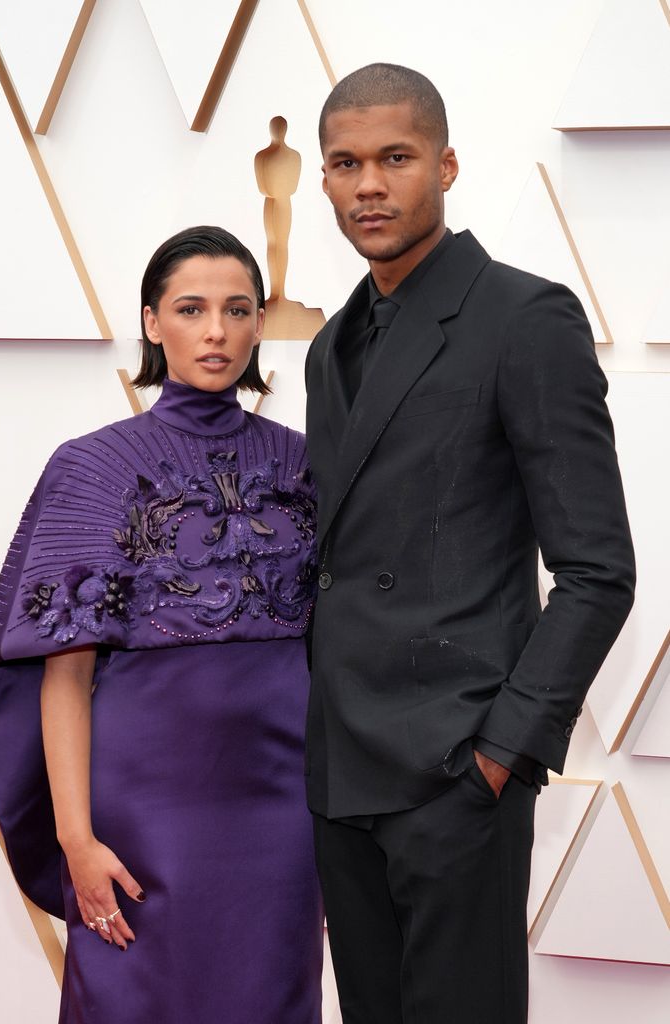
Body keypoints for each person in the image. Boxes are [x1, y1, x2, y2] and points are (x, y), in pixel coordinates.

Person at [304, 64, 635, 1024]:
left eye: (395, 158)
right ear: (322, 180)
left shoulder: (522, 316)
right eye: (346, 163)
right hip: (340, 768)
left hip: (454, 768)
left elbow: (597, 571)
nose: (369, 184)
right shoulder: (331, 345)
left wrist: (501, 750)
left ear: (445, 166)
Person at [0, 226, 323, 1023]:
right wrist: (75, 841)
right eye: (191, 309)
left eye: (236, 309)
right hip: (142, 813)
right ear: (154, 322)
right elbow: (64, 674)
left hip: (283, 818)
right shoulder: (93, 466)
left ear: (261, 322)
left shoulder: (307, 464)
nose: (217, 331)